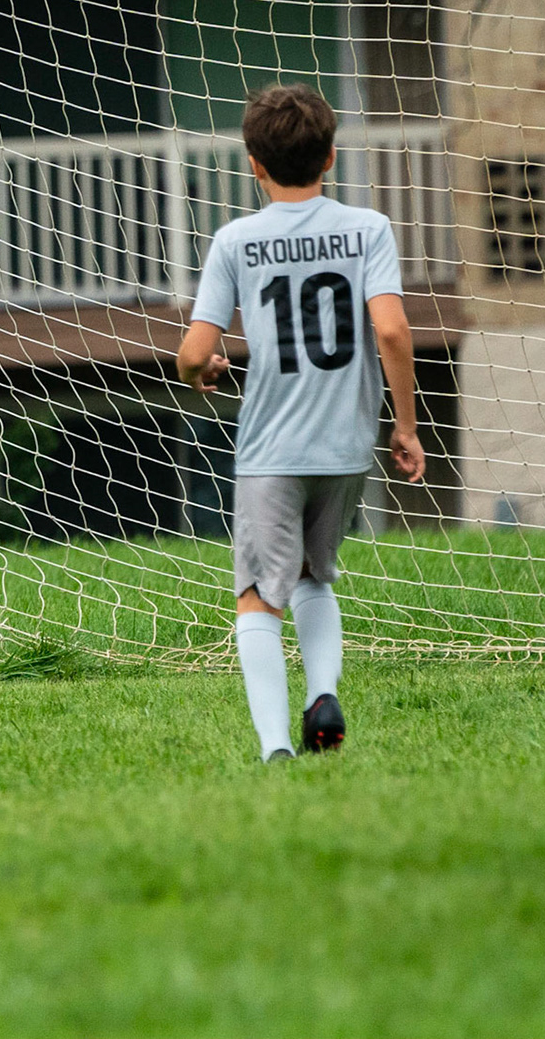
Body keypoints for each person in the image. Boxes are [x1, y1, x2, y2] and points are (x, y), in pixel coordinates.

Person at [176, 84, 426, 763]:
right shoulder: (368, 228)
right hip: (346, 444)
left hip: (271, 449)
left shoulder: (236, 240)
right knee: (318, 575)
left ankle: (275, 748)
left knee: (258, 596)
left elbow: (196, 352)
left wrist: (201, 368)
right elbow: (394, 332)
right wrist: (404, 427)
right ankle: (323, 691)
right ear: (331, 157)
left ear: (254, 164)